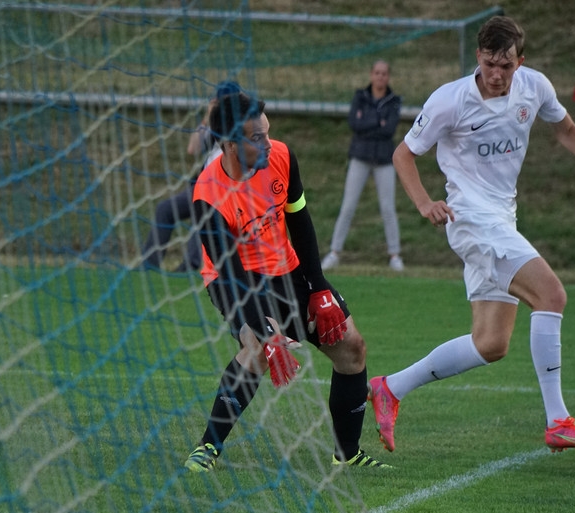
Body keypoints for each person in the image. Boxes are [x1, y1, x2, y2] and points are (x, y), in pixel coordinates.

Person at [369, 15, 575, 455]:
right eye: (489, 64)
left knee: (491, 343)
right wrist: (425, 203)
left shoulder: (534, 87)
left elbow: (564, 127)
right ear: (478, 57)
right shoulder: (450, 100)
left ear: (519, 62)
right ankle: (558, 421)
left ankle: (390, 388)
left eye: (505, 66)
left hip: (502, 221)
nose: (496, 74)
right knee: (551, 295)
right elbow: (403, 154)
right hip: (470, 221)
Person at [184, 84, 391, 473]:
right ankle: (208, 446)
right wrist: (266, 332)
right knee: (257, 350)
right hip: (236, 279)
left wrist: (319, 287)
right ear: (230, 144)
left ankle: (347, 453)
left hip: (287, 268)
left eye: (268, 132)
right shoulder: (208, 197)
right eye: (256, 138)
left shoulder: (280, 155)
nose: (268, 143)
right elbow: (231, 277)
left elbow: (300, 220)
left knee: (351, 346)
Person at [321, 60, 404, 272]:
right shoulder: (360, 96)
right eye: (377, 72)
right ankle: (334, 252)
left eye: (384, 73)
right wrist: (377, 121)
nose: (380, 77)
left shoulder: (394, 100)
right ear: (371, 74)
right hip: (360, 156)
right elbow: (354, 123)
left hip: (384, 159)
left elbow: (389, 129)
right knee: (348, 206)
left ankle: (395, 255)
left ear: (388, 76)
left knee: (388, 207)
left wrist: (368, 122)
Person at [140, 99, 221, 272]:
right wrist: (206, 119)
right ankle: (149, 265)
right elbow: (193, 149)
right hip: (202, 186)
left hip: (226, 191)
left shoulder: (242, 129)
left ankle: (190, 265)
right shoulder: (214, 127)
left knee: (201, 209)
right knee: (165, 209)